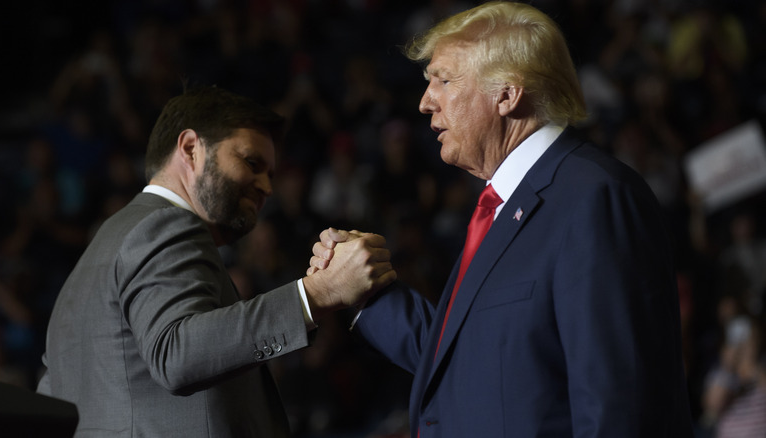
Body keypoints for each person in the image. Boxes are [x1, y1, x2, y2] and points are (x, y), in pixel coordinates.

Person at [310, 2, 694, 436]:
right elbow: (470, 363)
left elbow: (619, 405)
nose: (424, 102)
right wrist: (365, 290)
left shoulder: (595, 197)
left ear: (507, 95)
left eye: (444, 80)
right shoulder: (502, 205)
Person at [36, 86, 396, 437]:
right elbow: (176, 354)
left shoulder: (92, 261)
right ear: (191, 148)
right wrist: (317, 294)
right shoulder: (166, 224)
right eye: (251, 163)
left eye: (270, 175)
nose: (266, 187)